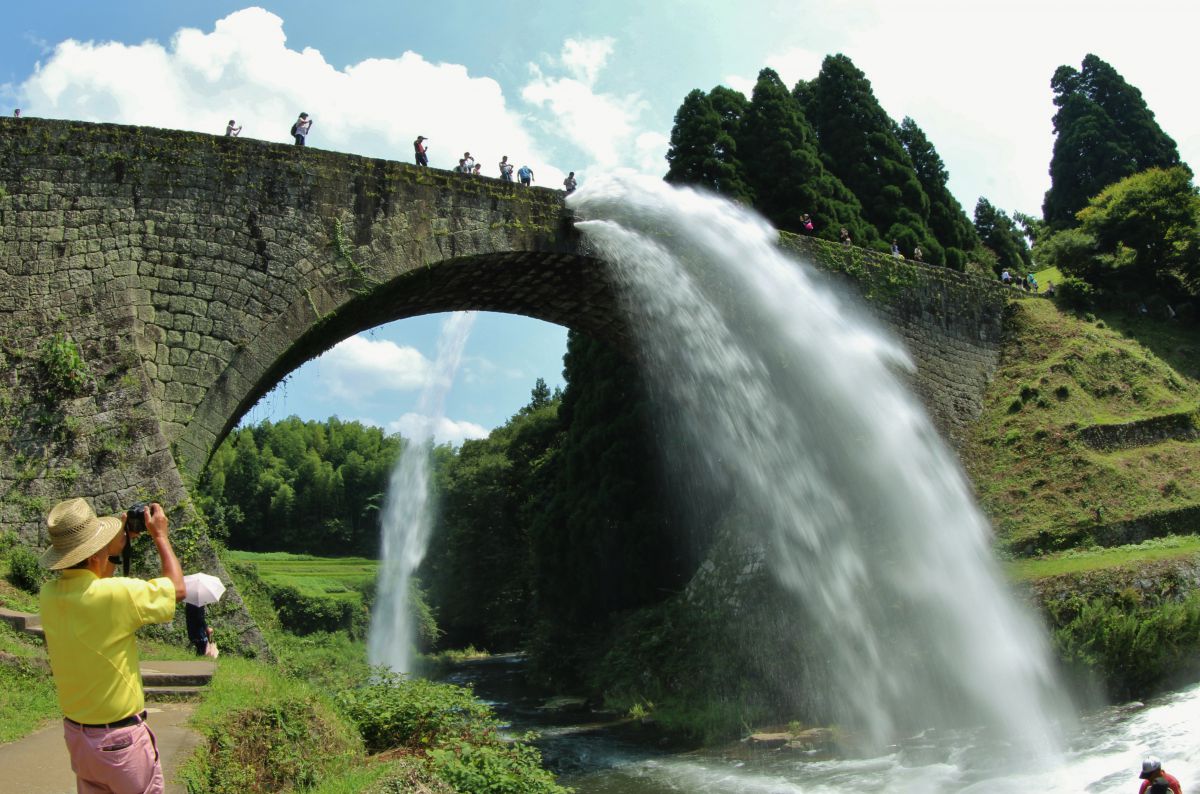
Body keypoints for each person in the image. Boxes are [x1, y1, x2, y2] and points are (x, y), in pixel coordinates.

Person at [38, 498, 186, 794]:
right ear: (95, 554)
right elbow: (177, 589)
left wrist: (113, 552)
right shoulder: (117, 594)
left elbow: (93, 584)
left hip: (79, 739)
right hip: (121, 743)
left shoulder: (49, 595)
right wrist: (160, 536)